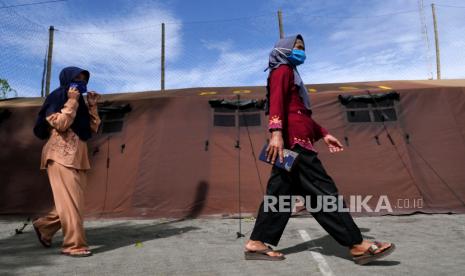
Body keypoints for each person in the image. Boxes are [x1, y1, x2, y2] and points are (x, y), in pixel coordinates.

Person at [244, 35, 395, 264]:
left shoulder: (292, 73)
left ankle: (257, 243)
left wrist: (323, 133)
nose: (301, 51)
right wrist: (275, 133)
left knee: (280, 195)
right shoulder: (282, 70)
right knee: (324, 192)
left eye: (303, 48)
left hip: (294, 141)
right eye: (297, 47)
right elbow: (277, 102)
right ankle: (357, 244)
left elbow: (300, 113)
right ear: (283, 49)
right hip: (293, 143)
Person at [32, 66, 101, 257]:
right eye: (76, 78)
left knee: (73, 202)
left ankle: (44, 227)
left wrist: (92, 105)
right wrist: (71, 101)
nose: (80, 82)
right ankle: (73, 245)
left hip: (78, 158)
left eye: (83, 79)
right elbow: (61, 124)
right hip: (60, 156)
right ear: (66, 79)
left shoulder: (80, 102)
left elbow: (92, 129)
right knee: (72, 204)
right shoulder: (57, 97)